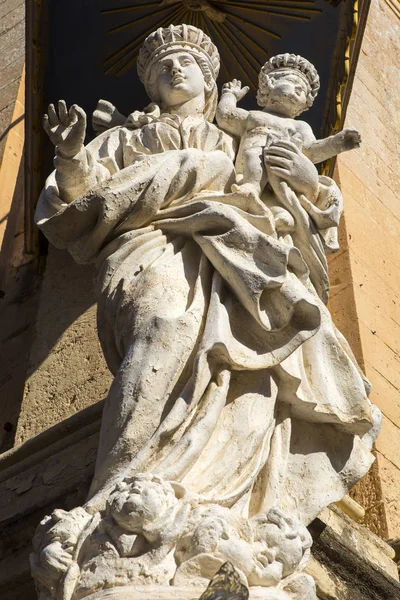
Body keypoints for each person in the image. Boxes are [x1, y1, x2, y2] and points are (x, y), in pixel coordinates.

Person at [35, 25, 379, 528]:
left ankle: (213, 498)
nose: (175, 69)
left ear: (209, 80)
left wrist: (311, 184)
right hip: (148, 244)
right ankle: (122, 487)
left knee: (245, 367)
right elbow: (79, 202)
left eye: (187, 63)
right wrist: (69, 156)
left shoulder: (233, 137)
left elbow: (294, 204)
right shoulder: (127, 137)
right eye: (162, 67)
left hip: (233, 250)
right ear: (150, 86)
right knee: (163, 324)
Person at [216, 53, 361, 199]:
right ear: (270, 83)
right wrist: (230, 95)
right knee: (254, 154)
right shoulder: (254, 116)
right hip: (248, 170)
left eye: (303, 90)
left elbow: (311, 150)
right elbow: (226, 116)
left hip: (284, 171)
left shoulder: (300, 126)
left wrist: (336, 143)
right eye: (293, 82)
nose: (298, 90)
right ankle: (252, 187)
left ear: (305, 104)